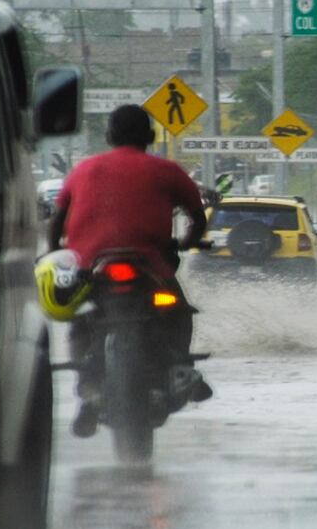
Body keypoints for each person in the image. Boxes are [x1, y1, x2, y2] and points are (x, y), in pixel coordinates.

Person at [48, 104, 210, 437]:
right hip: (150, 266)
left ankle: (87, 390)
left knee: (81, 319)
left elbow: (56, 222)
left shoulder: (83, 170)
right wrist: (186, 242)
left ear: (108, 137)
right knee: (178, 311)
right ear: (151, 137)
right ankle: (181, 367)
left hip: (92, 269)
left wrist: (54, 252)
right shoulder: (167, 171)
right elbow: (198, 218)